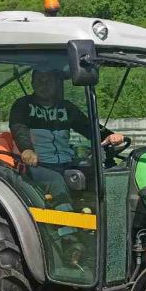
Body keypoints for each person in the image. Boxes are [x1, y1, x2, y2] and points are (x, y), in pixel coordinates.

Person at [9, 68, 126, 209]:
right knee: (56, 180)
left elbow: (88, 126)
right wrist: (27, 149)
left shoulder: (67, 108)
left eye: (49, 81)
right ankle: (67, 229)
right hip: (38, 165)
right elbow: (19, 127)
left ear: (56, 84)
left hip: (67, 163)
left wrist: (109, 136)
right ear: (32, 83)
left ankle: (106, 216)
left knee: (100, 176)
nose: (44, 85)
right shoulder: (23, 105)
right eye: (40, 80)